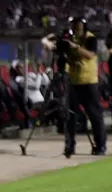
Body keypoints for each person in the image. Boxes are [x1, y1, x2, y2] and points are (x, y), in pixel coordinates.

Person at [43, 17, 107, 156]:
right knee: (70, 115)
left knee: (94, 114)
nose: (76, 29)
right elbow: (51, 46)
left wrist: (74, 46)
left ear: (84, 27)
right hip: (72, 82)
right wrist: (52, 40)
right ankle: (70, 145)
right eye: (74, 26)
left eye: (78, 26)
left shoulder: (91, 39)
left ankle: (100, 145)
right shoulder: (71, 38)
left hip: (88, 82)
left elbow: (90, 55)